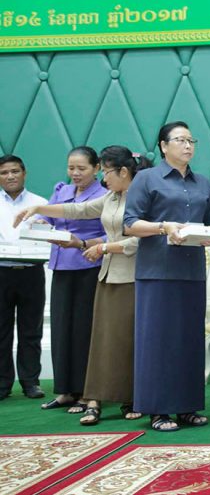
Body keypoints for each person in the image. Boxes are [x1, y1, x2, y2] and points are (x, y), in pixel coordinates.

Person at [15, 146, 149, 426]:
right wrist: (38, 208)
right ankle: (94, 399)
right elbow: (79, 210)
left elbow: (141, 240)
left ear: (124, 172)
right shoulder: (111, 197)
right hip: (107, 276)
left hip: (132, 276)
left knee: (126, 341)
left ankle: (130, 398)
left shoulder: (143, 198)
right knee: (101, 341)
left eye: (107, 172)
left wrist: (104, 247)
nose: (104, 179)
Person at [124, 121, 210, 432]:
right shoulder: (146, 178)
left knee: (188, 340)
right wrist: (163, 227)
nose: (188, 145)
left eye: (191, 140)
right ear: (164, 146)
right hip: (157, 272)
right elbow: (130, 224)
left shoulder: (203, 182)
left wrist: (209, 235)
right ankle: (159, 410)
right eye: (180, 140)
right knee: (158, 341)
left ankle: (187, 407)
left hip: (192, 271)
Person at [39, 146, 107, 413]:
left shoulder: (103, 195)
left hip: (88, 265)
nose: (75, 173)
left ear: (96, 168)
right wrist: (41, 224)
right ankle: (65, 390)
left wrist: (83, 243)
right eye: (71, 168)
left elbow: (110, 233)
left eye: (82, 168)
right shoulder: (61, 190)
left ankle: (85, 391)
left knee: (83, 329)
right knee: (61, 328)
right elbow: (46, 216)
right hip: (61, 266)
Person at [0, 155, 48, 401]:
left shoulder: (40, 204)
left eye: (15, 171)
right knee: (1, 331)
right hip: (1, 272)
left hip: (31, 271)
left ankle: (31, 382)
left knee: (31, 330)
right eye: (4, 172)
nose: (10, 176)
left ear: (24, 173)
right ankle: (2, 384)